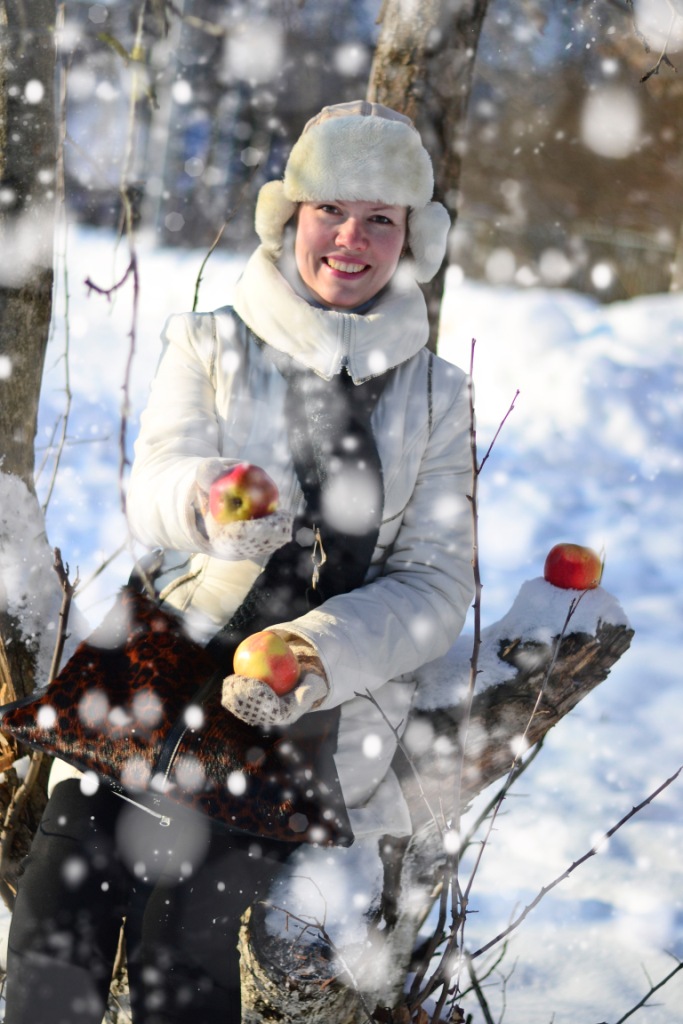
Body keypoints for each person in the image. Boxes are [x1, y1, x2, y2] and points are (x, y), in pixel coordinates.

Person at [4, 100, 474, 1024]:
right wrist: (209, 500)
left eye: (382, 218)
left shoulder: (435, 394)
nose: (351, 238)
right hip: (154, 670)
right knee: (57, 922)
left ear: (412, 239)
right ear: (288, 218)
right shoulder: (212, 341)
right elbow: (153, 488)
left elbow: (436, 583)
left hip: (304, 718)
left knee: (193, 955)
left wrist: (316, 652)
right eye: (330, 210)